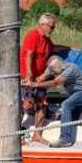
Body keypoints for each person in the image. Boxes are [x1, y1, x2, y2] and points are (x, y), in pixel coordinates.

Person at [32, 55, 82, 148]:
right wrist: (29, 82)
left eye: (54, 71)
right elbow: (40, 79)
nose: (52, 73)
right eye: (51, 70)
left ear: (59, 67)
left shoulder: (70, 69)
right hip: (75, 93)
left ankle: (65, 139)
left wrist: (37, 85)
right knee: (73, 115)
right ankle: (71, 139)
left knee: (66, 105)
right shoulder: (52, 67)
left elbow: (55, 83)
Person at [20, 13, 57, 145]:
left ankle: (37, 135)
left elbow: (54, 48)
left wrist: (68, 48)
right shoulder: (33, 35)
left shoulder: (47, 40)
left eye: (54, 27)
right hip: (28, 78)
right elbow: (29, 55)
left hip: (39, 80)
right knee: (24, 105)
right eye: (52, 27)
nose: (53, 30)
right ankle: (16, 135)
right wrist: (29, 74)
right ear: (43, 25)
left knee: (41, 107)